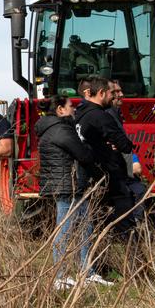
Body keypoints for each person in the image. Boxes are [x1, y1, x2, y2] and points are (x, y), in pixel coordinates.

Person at [36, 96, 109, 288]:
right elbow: (84, 155)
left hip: (73, 186)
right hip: (67, 186)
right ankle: (60, 277)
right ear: (60, 109)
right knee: (65, 231)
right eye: (71, 106)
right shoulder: (60, 130)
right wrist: (91, 147)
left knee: (86, 227)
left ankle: (87, 272)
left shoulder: (56, 128)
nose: (74, 109)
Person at [75, 77, 135, 233]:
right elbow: (126, 145)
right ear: (101, 93)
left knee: (93, 223)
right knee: (125, 220)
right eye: (111, 93)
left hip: (90, 177)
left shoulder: (80, 114)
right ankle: (133, 254)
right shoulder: (100, 116)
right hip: (108, 177)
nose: (114, 96)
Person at [108, 79, 146, 222]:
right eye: (116, 92)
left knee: (139, 189)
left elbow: (123, 145)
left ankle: (134, 228)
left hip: (123, 168)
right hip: (114, 171)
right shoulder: (106, 115)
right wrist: (132, 163)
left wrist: (133, 161)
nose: (122, 94)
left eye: (121, 90)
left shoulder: (116, 114)